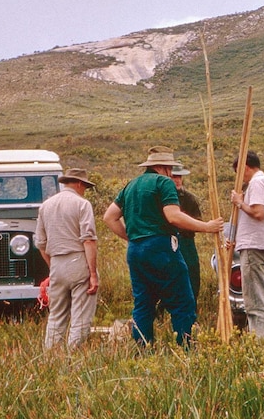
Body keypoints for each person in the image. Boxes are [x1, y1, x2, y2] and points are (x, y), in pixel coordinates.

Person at [103, 147, 224, 347]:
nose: (171, 172)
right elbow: (173, 216)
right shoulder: (164, 182)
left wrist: (133, 237)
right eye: (170, 168)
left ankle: (142, 349)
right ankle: (186, 349)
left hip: (135, 250)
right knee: (183, 301)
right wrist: (207, 227)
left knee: (143, 303)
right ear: (164, 167)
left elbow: (109, 217)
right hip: (161, 247)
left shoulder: (130, 186)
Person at [35, 168, 99, 349]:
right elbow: (88, 239)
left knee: (56, 316)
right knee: (80, 316)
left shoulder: (45, 205)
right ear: (79, 184)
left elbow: (40, 243)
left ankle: (51, 358)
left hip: (56, 262)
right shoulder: (82, 204)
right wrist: (92, 273)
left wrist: (52, 266)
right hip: (78, 260)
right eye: (84, 186)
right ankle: (75, 357)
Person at [230, 151, 264, 338]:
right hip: (263, 246)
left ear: (246, 167)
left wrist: (240, 203)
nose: (238, 177)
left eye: (239, 172)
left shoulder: (257, 183)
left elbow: (259, 213)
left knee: (255, 302)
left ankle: (263, 345)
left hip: (254, 247)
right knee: (261, 298)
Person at [171, 165, 203, 300]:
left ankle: (191, 311)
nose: (177, 180)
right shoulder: (159, 196)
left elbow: (198, 221)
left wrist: (184, 222)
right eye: (174, 177)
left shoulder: (190, 198)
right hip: (166, 241)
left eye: (179, 177)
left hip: (186, 241)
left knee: (192, 273)